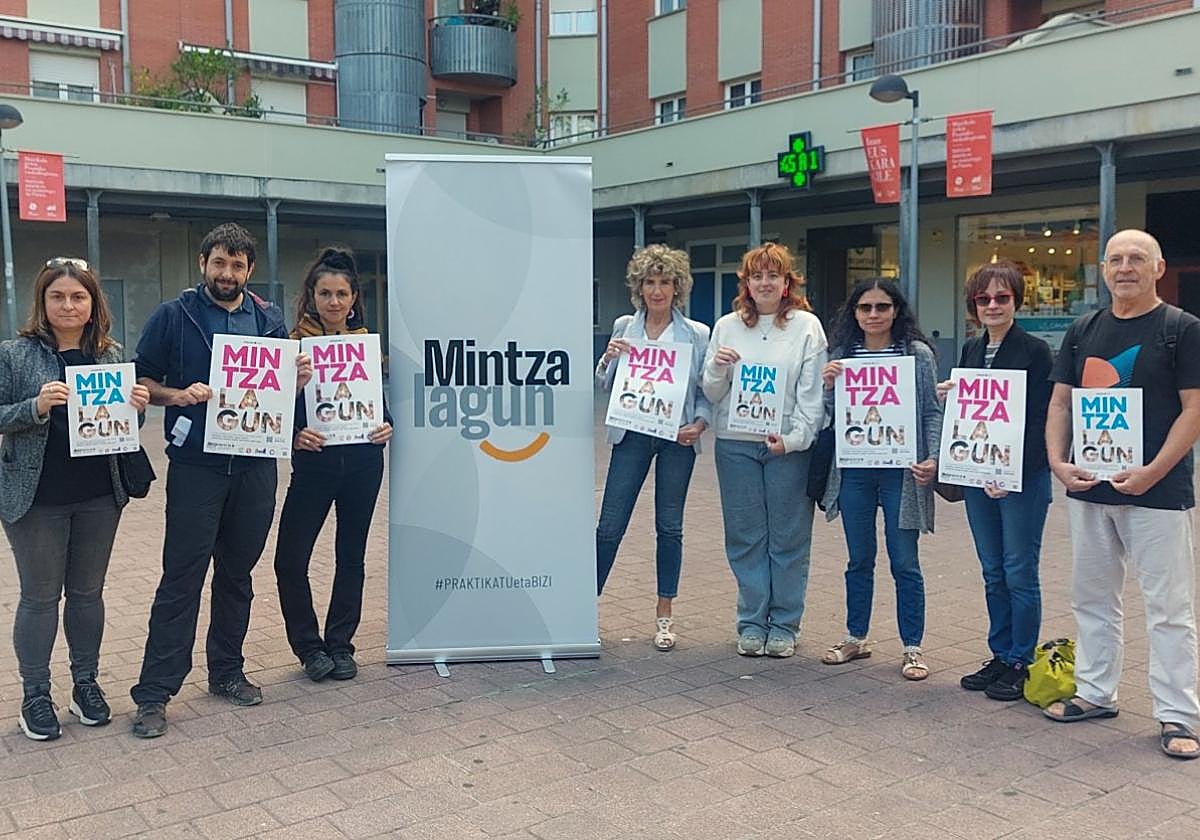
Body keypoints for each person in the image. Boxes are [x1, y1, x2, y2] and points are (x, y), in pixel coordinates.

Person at [129, 223, 312, 738]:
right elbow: (142, 381)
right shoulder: (174, 315)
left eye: (237, 265)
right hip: (196, 466)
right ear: (203, 264)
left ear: (249, 270)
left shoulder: (270, 321)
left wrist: (294, 384)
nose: (226, 273)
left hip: (255, 467)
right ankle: (154, 692)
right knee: (181, 577)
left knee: (237, 574)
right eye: (218, 263)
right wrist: (176, 395)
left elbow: (280, 399)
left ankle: (226, 671)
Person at [1043, 229, 1200, 760]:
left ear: (1158, 269)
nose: (1125, 267)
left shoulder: (1182, 330)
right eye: (1115, 259)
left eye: (1137, 258)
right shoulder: (1083, 330)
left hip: (1158, 491)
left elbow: (1194, 410)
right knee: (1091, 597)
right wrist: (1057, 462)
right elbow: (1061, 403)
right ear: (1104, 270)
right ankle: (1094, 692)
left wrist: (1154, 471)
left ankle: (1178, 715)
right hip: (1090, 488)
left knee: (1169, 607)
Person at [0, 258, 150, 740]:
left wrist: (137, 409)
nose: (68, 305)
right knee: (40, 599)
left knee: (87, 596)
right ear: (43, 303)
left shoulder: (110, 356)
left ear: (92, 305)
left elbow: (124, 430)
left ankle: (86, 683)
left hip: (98, 495)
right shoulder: (15, 355)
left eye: (78, 297)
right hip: (37, 497)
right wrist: (36, 406)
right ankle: (35, 694)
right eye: (58, 296)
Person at [702, 243, 826, 658]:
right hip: (736, 444)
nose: (765, 283)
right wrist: (718, 367)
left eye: (774, 275)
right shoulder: (727, 326)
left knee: (789, 538)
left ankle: (785, 624)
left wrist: (794, 439)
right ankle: (752, 621)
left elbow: (811, 397)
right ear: (747, 284)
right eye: (757, 276)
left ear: (788, 282)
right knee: (744, 536)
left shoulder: (807, 327)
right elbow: (712, 391)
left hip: (786, 448)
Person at [273, 247, 392, 681]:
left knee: (351, 557)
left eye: (342, 293)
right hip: (315, 465)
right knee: (289, 559)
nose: (334, 302)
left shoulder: (365, 345)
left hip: (363, 462)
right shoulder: (292, 348)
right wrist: (292, 431)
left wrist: (387, 425)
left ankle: (340, 645)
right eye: (325, 293)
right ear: (312, 296)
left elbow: (380, 405)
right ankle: (308, 647)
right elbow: (270, 412)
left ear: (354, 297)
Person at [937, 260, 1053, 700]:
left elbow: (1044, 420)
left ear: (1016, 301)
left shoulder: (1036, 351)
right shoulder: (971, 350)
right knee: (992, 571)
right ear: (973, 304)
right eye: (983, 298)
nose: (992, 305)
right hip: (978, 477)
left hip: (1021, 479)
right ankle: (1001, 653)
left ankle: (1021, 659)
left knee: (1019, 570)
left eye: (1001, 297)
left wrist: (1013, 473)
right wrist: (955, 393)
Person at [819, 277, 941, 680]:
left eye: (882, 307)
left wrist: (934, 457)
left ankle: (912, 646)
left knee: (905, 561)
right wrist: (829, 384)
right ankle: (856, 636)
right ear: (854, 313)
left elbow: (929, 411)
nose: (873, 315)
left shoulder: (916, 355)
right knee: (859, 558)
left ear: (896, 311)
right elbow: (833, 415)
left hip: (901, 472)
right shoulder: (843, 355)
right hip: (854, 469)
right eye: (865, 308)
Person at [595, 244, 711, 651]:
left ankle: (665, 615)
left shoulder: (696, 333)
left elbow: (701, 391)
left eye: (665, 282)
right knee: (610, 523)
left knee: (669, 526)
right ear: (639, 287)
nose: (657, 290)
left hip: (677, 438)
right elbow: (605, 384)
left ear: (677, 287)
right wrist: (608, 359)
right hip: (632, 434)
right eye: (650, 282)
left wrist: (699, 424)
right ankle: (583, 609)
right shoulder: (624, 326)